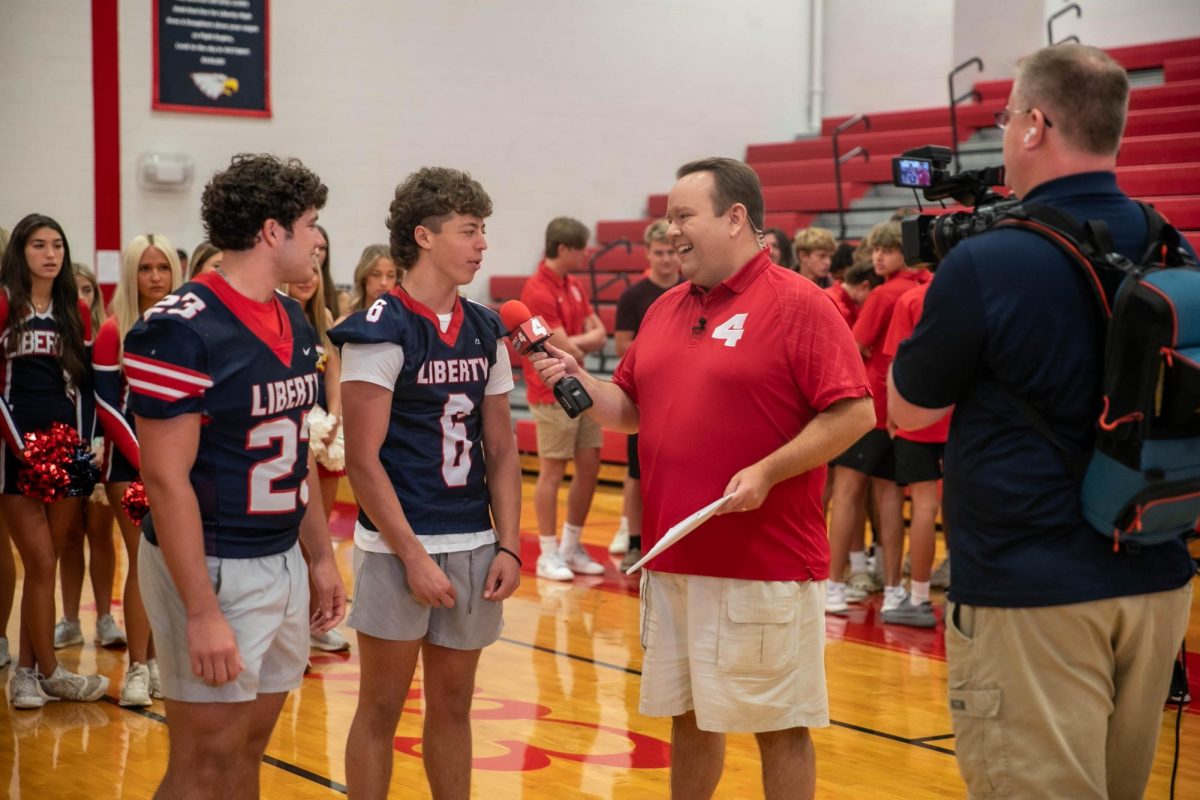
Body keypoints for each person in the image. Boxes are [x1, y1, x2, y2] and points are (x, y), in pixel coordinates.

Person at [889, 44, 1195, 799]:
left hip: (1034, 592)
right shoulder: (1168, 241)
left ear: (1034, 125)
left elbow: (909, 408)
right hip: (1154, 570)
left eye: (1004, 119)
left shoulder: (989, 261)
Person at [530, 157, 874, 799]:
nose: (669, 233)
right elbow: (630, 409)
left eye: (684, 216)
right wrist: (579, 381)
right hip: (673, 557)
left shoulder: (799, 303)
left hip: (765, 564)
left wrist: (770, 470)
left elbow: (856, 412)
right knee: (688, 721)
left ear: (736, 218)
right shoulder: (664, 308)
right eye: (665, 220)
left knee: (780, 726)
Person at [124, 153, 346, 798]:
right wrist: (201, 611)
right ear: (272, 231)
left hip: (281, 554)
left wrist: (320, 559)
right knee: (204, 760)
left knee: (249, 749)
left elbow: (296, 450)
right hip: (214, 562)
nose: (316, 242)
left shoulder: (294, 316)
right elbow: (165, 481)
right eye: (308, 225)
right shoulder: (177, 329)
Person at [333, 166, 521, 800]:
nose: (482, 244)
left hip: (472, 541)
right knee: (379, 712)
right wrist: (412, 556)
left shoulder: (487, 327)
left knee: (454, 709)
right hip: (397, 547)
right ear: (425, 236)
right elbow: (362, 459)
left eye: (482, 230)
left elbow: (501, 445)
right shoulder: (380, 327)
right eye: (470, 231)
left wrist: (511, 544)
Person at [1, 214, 110, 709]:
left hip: (68, 447)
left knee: (56, 556)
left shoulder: (75, 309)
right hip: (14, 451)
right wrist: (20, 447)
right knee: (40, 560)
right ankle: (49, 671)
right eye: (39, 245)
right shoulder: (5, 304)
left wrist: (84, 444)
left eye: (58, 245)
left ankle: (27, 673)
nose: (50, 254)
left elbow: (85, 387)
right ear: (21, 252)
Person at [94, 233, 183, 705]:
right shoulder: (114, 329)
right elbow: (108, 407)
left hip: (181, 465)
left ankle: (159, 662)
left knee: (172, 565)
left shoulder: (188, 328)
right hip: (129, 464)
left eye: (162, 268)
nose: (154, 277)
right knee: (142, 562)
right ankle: (136, 668)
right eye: (145, 268)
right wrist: (147, 461)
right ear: (131, 274)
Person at [826, 220, 930, 615]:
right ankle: (892, 590)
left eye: (886, 251)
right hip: (902, 411)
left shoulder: (886, 294)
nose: (878, 257)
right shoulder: (924, 289)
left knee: (847, 494)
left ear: (905, 253)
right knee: (890, 499)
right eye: (876, 251)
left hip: (869, 406)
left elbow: (854, 347)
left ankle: (833, 585)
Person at [519, 216, 608, 581]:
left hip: (582, 385)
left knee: (590, 464)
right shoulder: (537, 289)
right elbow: (569, 345)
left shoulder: (574, 285)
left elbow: (600, 334)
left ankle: (572, 547)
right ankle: (547, 552)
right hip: (550, 392)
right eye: (581, 248)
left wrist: (579, 341)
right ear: (564, 249)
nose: (586, 255)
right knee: (552, 470)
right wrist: (582, 340)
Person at [57, 262, 126, 651]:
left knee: (101, 534)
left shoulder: (106, 335)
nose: (81, 297)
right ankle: (69, 619)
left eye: (87, 290)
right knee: (69, 536)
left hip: (103, 444)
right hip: (69, 446)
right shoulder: (58, 340)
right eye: (75, 290)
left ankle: (104, 617)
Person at [284, 251, 350, 654]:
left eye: (314, 269)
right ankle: (290, 629)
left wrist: (336, 421)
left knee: (318, 536)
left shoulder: (323, 318)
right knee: (293, 538)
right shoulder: (277, 315)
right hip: (295, 432)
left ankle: (316, 621)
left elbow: (335, 373)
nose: (308, 276)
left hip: (326, 436)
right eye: (300, 268)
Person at [606, 219, 680, 571]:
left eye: (671, 252)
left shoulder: (691, 288)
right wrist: (666, 348)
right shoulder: (633, 296)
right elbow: (623, 345)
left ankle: (672, 537)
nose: (666, 259)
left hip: (681, 394)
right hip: (645, 395)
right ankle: (635, 541)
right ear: (648, 254)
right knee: (637, 472)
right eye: (659, 252)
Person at [879, 279, 949, 628]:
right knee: (956, 503)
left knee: (924, 505)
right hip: (958, 416)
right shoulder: (970, 289)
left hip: (917, 416)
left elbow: (895, 363)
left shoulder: (911, 299)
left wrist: (894, 415)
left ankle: (919, 599)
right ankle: (960, 594)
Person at [347, 243, 398, 314]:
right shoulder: (346, 322)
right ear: (364, 277)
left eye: (391, 276)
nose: (384, 282)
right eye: (375, 275)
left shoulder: (407, 322)